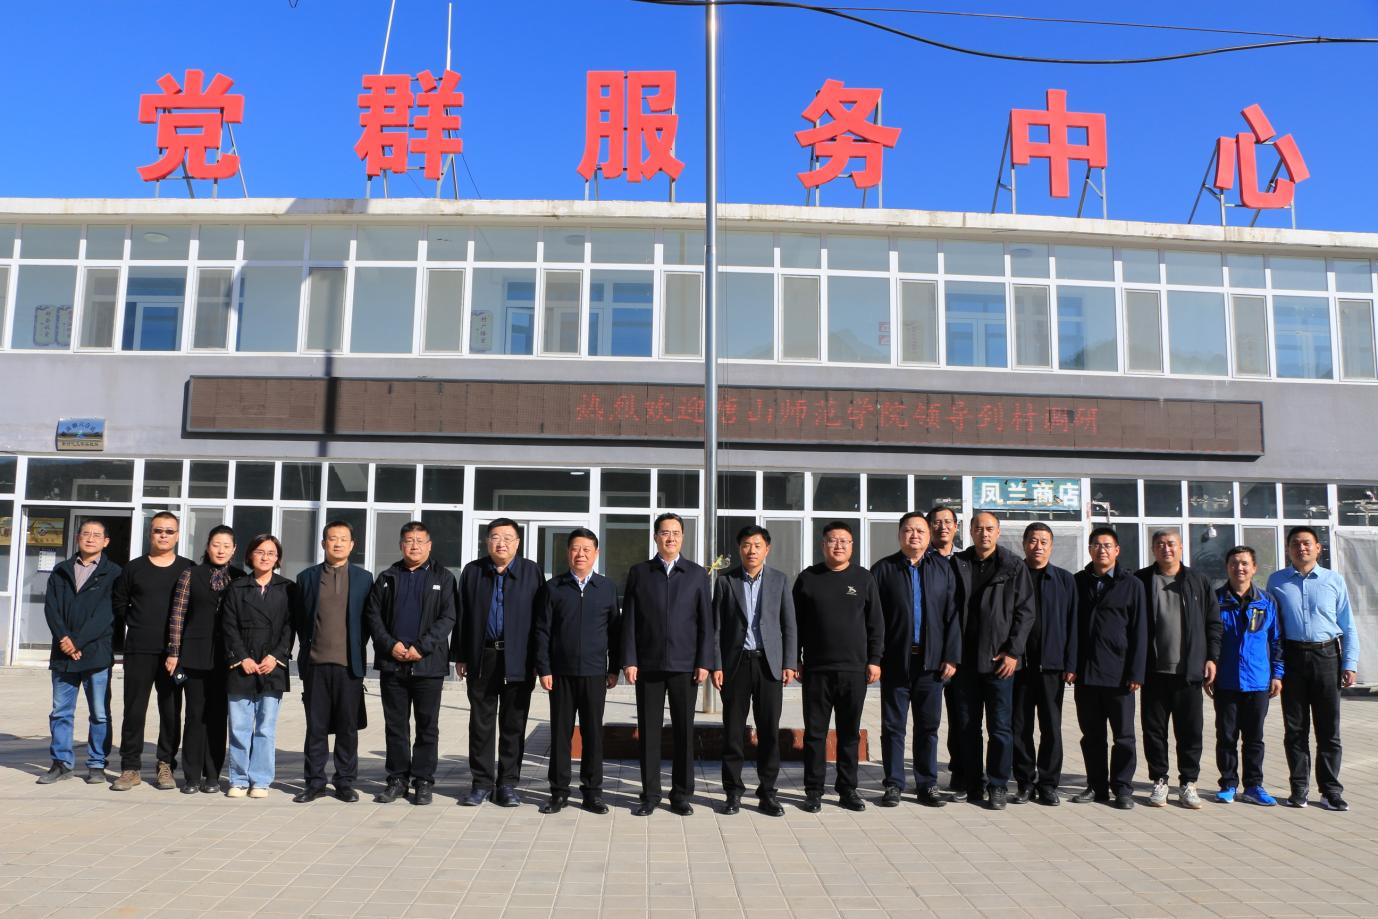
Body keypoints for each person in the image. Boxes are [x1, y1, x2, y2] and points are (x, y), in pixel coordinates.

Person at [622, 513, 713, 817]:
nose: (670, 538)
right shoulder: (640, 572)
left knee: (684, 732)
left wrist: (704, 661)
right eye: (664, 532)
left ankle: (681, 794)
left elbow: (706, 622)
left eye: (675, 532)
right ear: (655, 537)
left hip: (685, 665)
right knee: (649, 731)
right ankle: (650, 794)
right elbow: (629, 619)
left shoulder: (696, 574)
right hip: (648, 665)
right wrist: (629, 659)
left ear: (683, 537)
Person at [793, 521, 884, 813]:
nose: (839, 546)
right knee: (815, 734)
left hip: (854, 670)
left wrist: (875, 659)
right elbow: (795, 625)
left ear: (852, 546)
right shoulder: (808, 579)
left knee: (849, 733)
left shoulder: (864, 579)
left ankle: (848, 789)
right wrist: (795, 659)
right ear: (823, 545)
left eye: (844, 541)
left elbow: (876, 624)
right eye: (833, 540)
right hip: (816, 670)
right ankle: (813, 791)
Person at [365, 521, 458, 806]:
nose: (414, 546)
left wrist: (421, 647)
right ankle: (397, 780)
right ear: (401, 545)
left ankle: (424, 781)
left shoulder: (444, 577)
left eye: (419, 541)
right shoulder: (387, 577)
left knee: (427, 726)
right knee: (395, 726)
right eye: (408, 540)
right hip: (393, 663)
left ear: (429, 545)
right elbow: (373, 616)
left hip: (428, 664)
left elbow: (448, 617)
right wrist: (390, 644)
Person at [1267, 525, 1360, 811]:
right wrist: (1274, 668)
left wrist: (1350, 663)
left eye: (1307, 543)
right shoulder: (1277, 581)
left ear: (1318, 548)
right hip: (1292, 657)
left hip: (1326, 656)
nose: (1302, 548)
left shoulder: (1334, 580)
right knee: (1295, 729)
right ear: (1288, 549)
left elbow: (1347, 625)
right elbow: (1272, 628)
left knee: (1329, 729)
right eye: (1295, 543)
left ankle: (1330, 791)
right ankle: (1299, 788)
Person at [454, 518, 543, 808]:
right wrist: (461, 655)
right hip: (483, 656)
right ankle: (481, 783)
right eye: (495, 537)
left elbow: (541, 620)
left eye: (507, 537)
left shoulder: (531, 572)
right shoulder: (473, 571)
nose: (501, 543)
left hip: (520, 657)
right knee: (481, 723)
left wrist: (540, 660)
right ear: (486, 541)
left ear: (517, 543)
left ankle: (507, 784)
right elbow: (462, 614)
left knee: (513, 723)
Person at [871, 512, 959, 808]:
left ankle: (927, 784)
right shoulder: (883, 569)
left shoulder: (943, 568)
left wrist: (951, 656)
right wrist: (875, 658)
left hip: (931, 663)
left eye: (920, 531)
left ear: (929, 535)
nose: (915, 536)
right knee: (893, 727)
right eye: (908, 530)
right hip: (896, 661)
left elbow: (952, 615)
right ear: (899, 535)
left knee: (928, 727)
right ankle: (894, 784)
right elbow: (874, 620)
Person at [711, 524, 797, 817]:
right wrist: (717, 664)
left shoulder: (780, 580)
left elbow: (789, 624)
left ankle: (768, 793)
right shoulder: (726, 581)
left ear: (767, 549)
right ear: (740, 549)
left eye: (757, 545)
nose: (752, 550)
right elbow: (717, 628)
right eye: (746, 545)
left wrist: (789, 662)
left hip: (768, 665)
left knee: (769, 731)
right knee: (733, 732)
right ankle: (733, 792)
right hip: (736, 665)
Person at [533, 528, 620, 815]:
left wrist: (614, 668)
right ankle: (558, 792)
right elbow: (542, 631)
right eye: (575, 549)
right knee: (561, 734)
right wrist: (544, 668)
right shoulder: (553, 587)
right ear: (567, 552)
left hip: (595, 674)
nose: (580, 554)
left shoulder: (606, 588)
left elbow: (615, 632)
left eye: (586, 549)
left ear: (596, 553)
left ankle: (592, 793)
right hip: (560, 674)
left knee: (593, 734)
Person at [951, 512, 1034, 810]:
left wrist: (1013, 652)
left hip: (1000, 662)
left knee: (1000, 728)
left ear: (998, 532)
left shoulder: (1013, 566)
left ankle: (998, 785)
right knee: (967, 727)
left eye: (989, 529)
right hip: (964, 661)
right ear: (970, 532)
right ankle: (973, 783)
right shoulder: (958, 563)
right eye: (978, 528)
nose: (984, 533)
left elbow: (1025, 612)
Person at [1134, 529, 1221, 809]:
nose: (1166, 549)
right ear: (1153, 549)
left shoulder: (1198, 581)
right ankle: (1159, 780)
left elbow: (1213, 623)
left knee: (1190, 731)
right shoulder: (1140, 580)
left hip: (1189, 672)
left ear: (1181, 547)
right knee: (1154, 731)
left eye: (1171, 544)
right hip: (1153, 671)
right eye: (1160, 544)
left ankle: (1188, 783)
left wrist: (1211, 657)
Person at [111, 511, 193, 791]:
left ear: (178, 535)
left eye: (169, 531)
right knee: (134, 710)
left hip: (173, 652)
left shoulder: (188, 568)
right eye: (159, 530)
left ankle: (165, 764)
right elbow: (119, 603)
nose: (163, 535)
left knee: (170, 710)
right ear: (150, 533)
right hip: (139, 649)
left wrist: (179, 648)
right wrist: (137, 625)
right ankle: (130, 767)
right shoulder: (133, 568)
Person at [292, 521, 373, 804]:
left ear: (352, 545)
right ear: (323, 543)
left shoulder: (364, 579)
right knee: (315, 728)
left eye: (343, 539)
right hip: (315, 664)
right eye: (332, 538)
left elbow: (369, 620)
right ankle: (314, 783)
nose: (337, 543)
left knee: (347, 728)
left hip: (349, 666)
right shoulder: (306, 578)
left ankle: (344, 782)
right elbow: (300, 619)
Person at [39, 519, 119, 785]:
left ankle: (96, 764)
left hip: (95, 653)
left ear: (106, 542)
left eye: (97, 535)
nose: (90, 538)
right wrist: (64, 639)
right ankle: (61, 763)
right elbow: (51, 608)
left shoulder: (113, 573)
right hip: (63, 654)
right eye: (86, 533)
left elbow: (107, 614)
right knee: (61, 711)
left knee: (99, 713)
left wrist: (78, 642)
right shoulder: (61, 570)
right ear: (77, 538)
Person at [1071, 527, 1147, 810]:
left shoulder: (1132, 584)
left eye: (1107, 545)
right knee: (1092, 736)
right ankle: (1096, 786)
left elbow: (1140, 631)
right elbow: (1071, 629)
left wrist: (1136, 672)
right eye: (1096, 545)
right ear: (1089, 549)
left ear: (1117, 550)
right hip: (1086, 673)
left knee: (1124, 736)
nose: (1101, 550)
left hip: (1120, 675)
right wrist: (1071, 666)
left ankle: (1123, 788)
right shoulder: (1079, 582)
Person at [165, 525, 243, 794]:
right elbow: (178, 614)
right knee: (195, 715)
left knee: (218, 716)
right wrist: (174, 651)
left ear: (234, 549)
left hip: (227, 657)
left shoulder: (239, 577)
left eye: (226, 546)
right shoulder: (191, 574)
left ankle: (212, 775)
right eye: (216, 544)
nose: (220, 550)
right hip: (194, 653)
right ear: (207, 546)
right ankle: (191, 776)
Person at [222, 534, 295, 799]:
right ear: (250, 555)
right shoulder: (237, 587)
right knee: (239, 727)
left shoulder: (288, 588)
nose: (265, 557)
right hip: (242, 665)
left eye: (271, 553)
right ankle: (239, 778)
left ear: (278, 558)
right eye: (260, 552)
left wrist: (276, 656)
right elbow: (228, 626)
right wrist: (243, 658)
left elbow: (290, 627)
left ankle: (261, 780)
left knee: (265, 728)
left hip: (272, 666)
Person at [1211, 546, 1283, 806]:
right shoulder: (1215, 600)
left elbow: (1276, 640)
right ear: (1227, 567)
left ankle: (1253, 785)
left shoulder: (1266, 601)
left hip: (1257, 680)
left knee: (1254, 738)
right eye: (1234, 563)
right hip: (1226, 680)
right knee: (1226, 736)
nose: (1239, 568)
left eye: (1244, 563)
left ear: (1254, 568)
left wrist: (1277, 674)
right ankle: (1228, 784)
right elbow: (1209, 638)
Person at [1012, 523, 1077, 806]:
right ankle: (1025, 782)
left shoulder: (1064, 580)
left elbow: (1073, 624)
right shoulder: (1014, 576)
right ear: (1024, 543)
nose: (1038, 546)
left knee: (1051, 727)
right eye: (1033, 541)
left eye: (1043, 541)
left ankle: (1049, 783)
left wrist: (1071, 663)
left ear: (1051, 546)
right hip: (1019, 667)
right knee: (1020, 727)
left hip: (1052, 667)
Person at [927, 504, 971, 799]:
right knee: (927, 721)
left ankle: (961, 772)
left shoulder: (965, 561)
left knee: (962, 717)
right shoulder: (922, 560)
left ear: (956, 527)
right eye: (937, 522)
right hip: (928, 653)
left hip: (961, 654)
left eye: (948, 522)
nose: (942, 527)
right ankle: (925, 775)